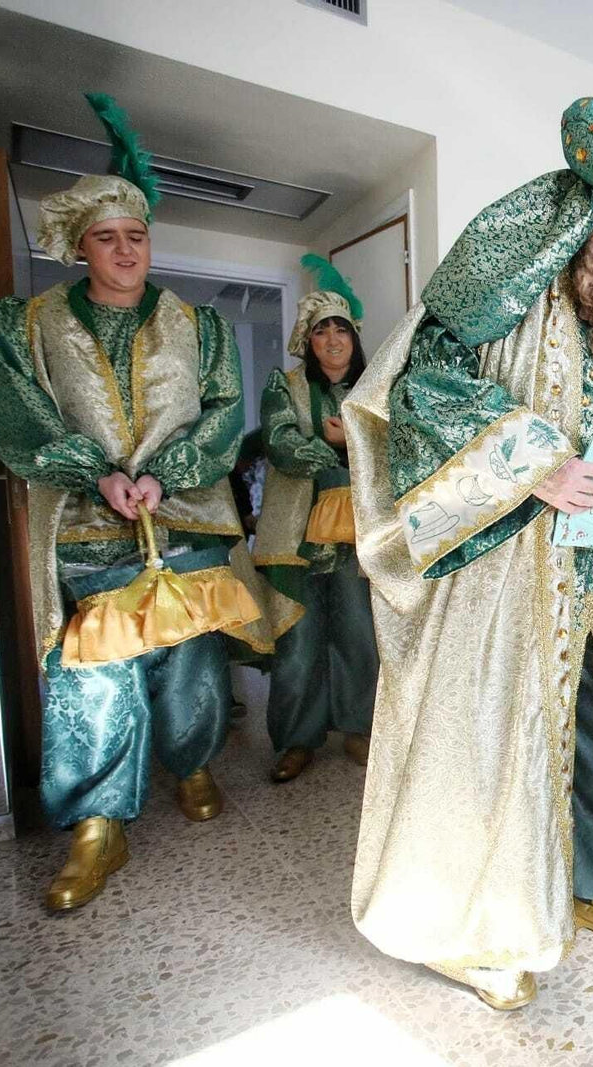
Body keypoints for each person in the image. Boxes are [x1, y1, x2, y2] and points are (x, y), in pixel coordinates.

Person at [345, 47, 593, 1011]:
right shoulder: (519, 244)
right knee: (504, 730)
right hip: (513, 551)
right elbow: (422, 381)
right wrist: (533, 463)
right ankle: (477, 921)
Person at [0, 94, 288, 910]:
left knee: (190, 660)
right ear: (80, 247)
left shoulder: (202, 325)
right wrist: (95, 473)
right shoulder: (25, 326)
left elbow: (225, 411)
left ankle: (191, 762)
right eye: (106, 238)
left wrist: (172, 468)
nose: (124, 251)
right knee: (93, 672)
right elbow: (23, 415)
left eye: (136, 236)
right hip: (86, 527)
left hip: (187, 519)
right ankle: (96, 824)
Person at [253, 256, 378, 781]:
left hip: (362, 533)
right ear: (308, 340)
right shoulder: (284, 387)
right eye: (321, 330)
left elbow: (395, 449)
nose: (332, 339)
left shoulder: (378, 389)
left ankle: (359, 728)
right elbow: (280, 444)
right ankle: (297, 740)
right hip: (297, 533)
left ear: (354, 337)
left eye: (341, 329)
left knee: (358, 634)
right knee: (298, 642)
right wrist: (336, 448)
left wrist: (347, 439)